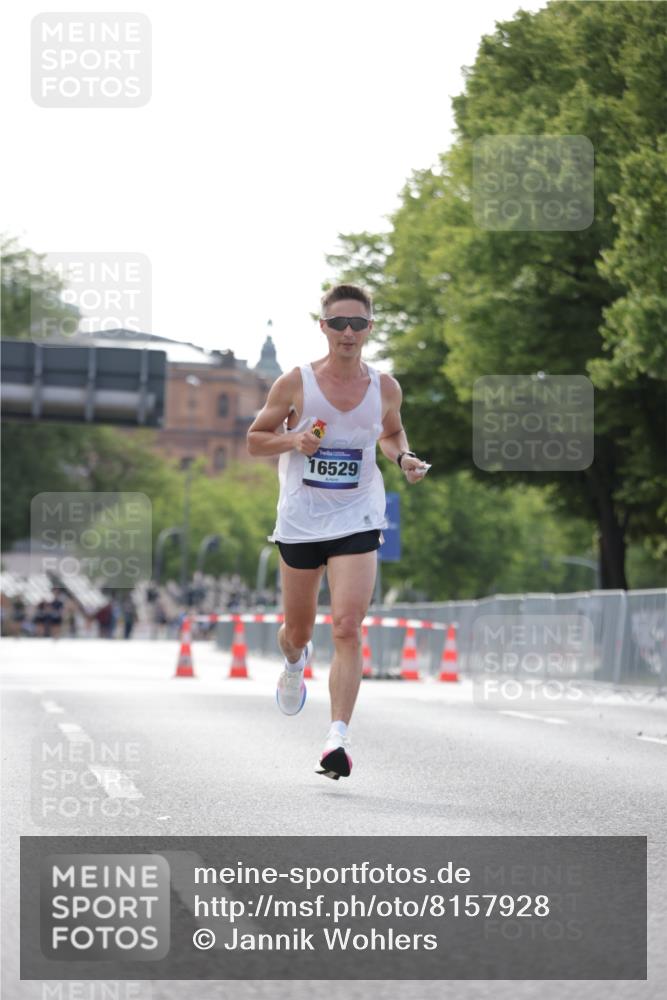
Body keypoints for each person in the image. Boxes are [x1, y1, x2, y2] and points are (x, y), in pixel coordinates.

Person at [247, 283, 429, 779]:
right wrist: (293, 439)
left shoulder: (385, 388)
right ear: (323, 326)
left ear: (370, 328)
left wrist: (404, 458)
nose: (348, 333)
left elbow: (391, 432)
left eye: (358, 324)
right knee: (299, 631)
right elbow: (255, 440)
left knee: (347, 625)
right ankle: (293, 663)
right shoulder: (295, 383)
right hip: (301, 521)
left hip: (358, 516)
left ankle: (337, 740)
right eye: (339, 323)